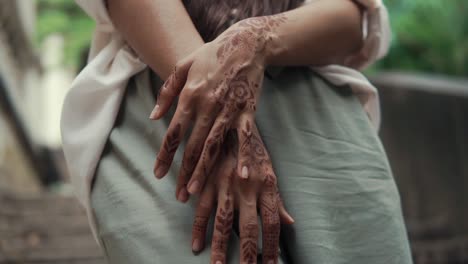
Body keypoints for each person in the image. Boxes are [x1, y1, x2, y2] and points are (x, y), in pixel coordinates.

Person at [61, 0, 413, 263]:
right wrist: (221, 123)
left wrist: (256, 38)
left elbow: (353, 19)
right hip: (164, 92)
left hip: (310, 101)